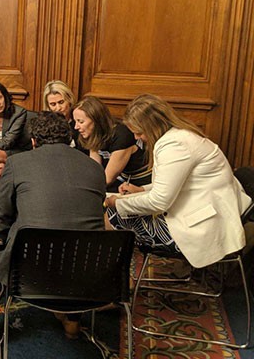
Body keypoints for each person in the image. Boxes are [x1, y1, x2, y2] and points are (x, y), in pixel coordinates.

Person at [0, 112, 106, 351]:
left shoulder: (17, 163)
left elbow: (0, 222)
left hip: (31, 271)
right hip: (87, 273)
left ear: (34, 141)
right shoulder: (95, 168)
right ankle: (72, 321)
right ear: (69, 138)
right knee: (77, 235)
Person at [105, 94, 251, 268]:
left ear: (152, 127)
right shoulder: (181, 135)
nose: (137, 137)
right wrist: (142, 190)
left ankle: (117, 282)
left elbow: (159, 202)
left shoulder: (175, 146)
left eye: (139, 132)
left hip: (202, 227)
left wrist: (116, 203)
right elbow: (177, 181)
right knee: (116, 210)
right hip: (210, 213)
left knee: (109, 214)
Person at [73, 95, 150, 191]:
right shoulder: (92, 133)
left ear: (96, 120)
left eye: (80, 122)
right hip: (123, 183)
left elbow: (107, 179)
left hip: (142, 184)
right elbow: (95, 170)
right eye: (75, 121)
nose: (76, 127)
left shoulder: (121, 134)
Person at [42, 80, 84, 152]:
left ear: (69, 99)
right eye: (53, 104)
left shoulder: (80, 122)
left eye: (61, 102)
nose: (58, 108)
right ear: (48, 106)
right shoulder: (44, 125)